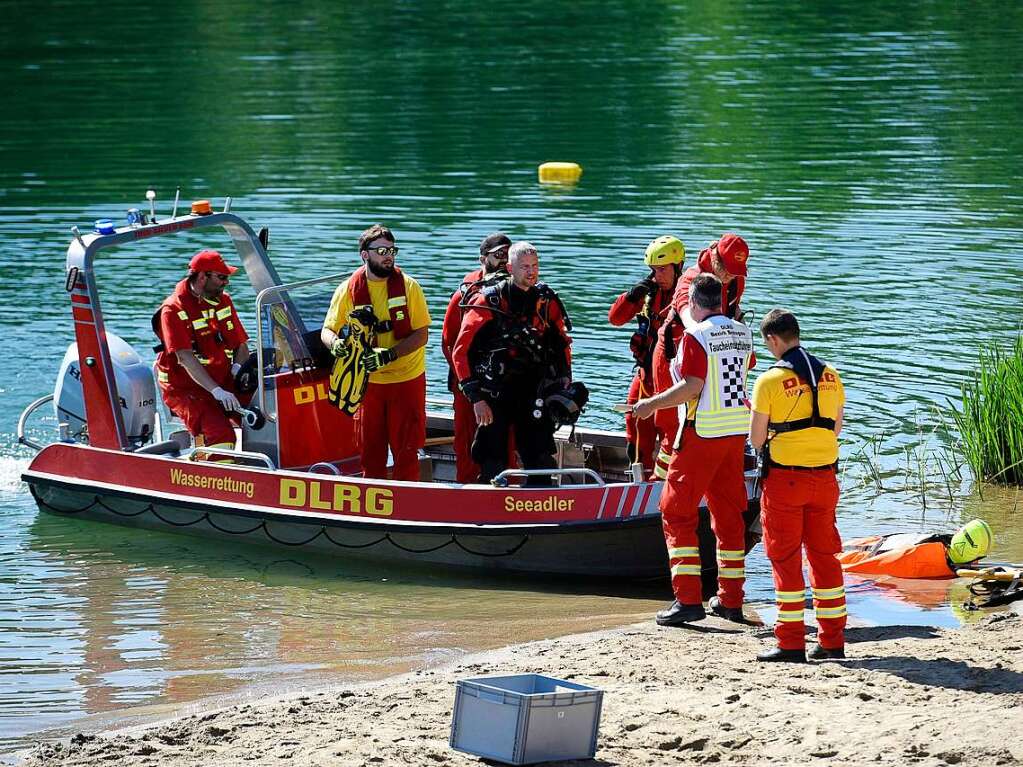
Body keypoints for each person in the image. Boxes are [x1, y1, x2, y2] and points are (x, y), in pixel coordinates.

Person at [633, 273, 754, 626]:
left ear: (696, 306)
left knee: (675, 510)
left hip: (702, 432)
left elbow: (692, 386)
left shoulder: (696, 336)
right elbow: (742, 371)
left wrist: (652, 404)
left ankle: (688, 600)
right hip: (735, 433)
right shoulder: (742, 333)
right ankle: (731, 600)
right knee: (730, 515)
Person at [750, 308, 846, 663]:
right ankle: (832, 641)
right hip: (825, 478)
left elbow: (757, 440)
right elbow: (834, 430)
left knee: (785, 558)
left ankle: (790, 643)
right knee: (825, 558)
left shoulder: (769, 381)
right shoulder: (832, 376)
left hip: (785, 481)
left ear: (773, 340)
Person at [452, 241, 572, 486]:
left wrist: (564, 382)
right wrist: (476, 398)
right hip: (495, 393)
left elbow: (562, 344)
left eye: (535, 266)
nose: (531, 272)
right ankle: (488, 509)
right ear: (510, 268)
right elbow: (460, 351)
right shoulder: (489, 301)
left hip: (533, 390)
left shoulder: (546, 302)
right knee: (491, 457)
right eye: (524, 267)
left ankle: (541, 507)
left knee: (540, 456)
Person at [321, 225, 431, 481]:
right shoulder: (348, 289)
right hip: (369, 385)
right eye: (382, 250)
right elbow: (327, 330)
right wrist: (335, 344)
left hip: (406, 380)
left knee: (406, 451)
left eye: (392, 250)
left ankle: (408, 508)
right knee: (370, 453)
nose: (388, 255)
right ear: (365, 255)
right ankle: (373, 508)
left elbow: (422, 335)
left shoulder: (409, 287)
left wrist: (390, 354)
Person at [649, 234, 750, 479]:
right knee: (674, 427)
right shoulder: (690, 281)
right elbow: (691, 322)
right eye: (726, 269)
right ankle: (660, 484)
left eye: (736, 271)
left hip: (711, 357)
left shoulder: (735, 280)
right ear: (714, 257)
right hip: (673, 357)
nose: (729, 276)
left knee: (712, 422)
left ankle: (695, 479)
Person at [154, 249, 252, 450]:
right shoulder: (173, 310)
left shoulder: (223, 300)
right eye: (221, 277)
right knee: (221, 436)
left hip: (223, 380)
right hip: (185, 389)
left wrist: (238, 369)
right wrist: (216, 391)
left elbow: (241, 344)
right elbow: (185, 357)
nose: (226, 282)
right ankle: (223, 477)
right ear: (201, 277)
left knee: (269, 416)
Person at [607, 236, 685, 476]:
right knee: (635, 425)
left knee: (670, 431)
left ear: (678, 266)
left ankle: (662, 484)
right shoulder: (648, 294)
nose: (657, 275)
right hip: (645, 376)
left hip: (673, 382)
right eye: (653, 270)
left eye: (662, 270)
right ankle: (639, 478)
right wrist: (633, 295)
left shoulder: (687, 297)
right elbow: (616, 319)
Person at [441, 232, 512, 483]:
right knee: (468, 445)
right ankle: (467, 495)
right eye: (498, 255)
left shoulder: (519, 291)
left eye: (508, 255)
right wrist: (470, 386)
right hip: (468, 387)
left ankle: (511, 497)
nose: (504, 261)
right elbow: (449, 343)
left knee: (508, 445)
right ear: (483, 259)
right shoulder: (465, 294)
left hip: (506, 386)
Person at [838, 519, 993, 578]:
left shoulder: (938, 546)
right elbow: (857, 568)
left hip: (872, 547)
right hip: (860, 553)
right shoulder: (917, 556)